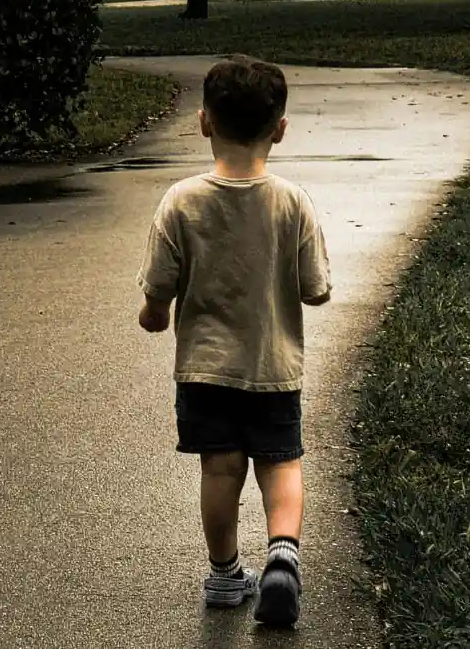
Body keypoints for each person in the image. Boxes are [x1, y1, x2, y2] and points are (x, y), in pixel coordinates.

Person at [135, 54, 332, 627]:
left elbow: (158, 289)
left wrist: (153, 313)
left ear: (203, 121)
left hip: (205, 371)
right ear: (280, 128)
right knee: (282, 464)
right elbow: (317, 290)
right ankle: (282, 558)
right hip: (273, 367)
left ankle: (224, 577)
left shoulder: (181, 201)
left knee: (220, 470)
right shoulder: (292, 202)